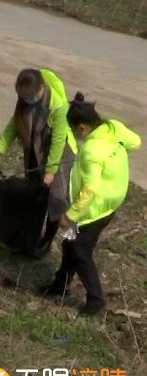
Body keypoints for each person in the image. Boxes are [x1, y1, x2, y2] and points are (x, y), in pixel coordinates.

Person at [41, 94, 141, 316]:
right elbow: (136, 141)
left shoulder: (91, 150)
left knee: (79, 250)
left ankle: (96, 300)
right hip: (114, 196)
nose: (77, 136)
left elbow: (90, 189)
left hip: (96, 207)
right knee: (70, 244)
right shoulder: (114, 127)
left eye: (75, 131)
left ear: (83, 128)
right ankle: (60, 285)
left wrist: (71, 216)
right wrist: (119, 149)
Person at [0, 68, 78, 256]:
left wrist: (51, 171)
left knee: (55, 200)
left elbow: (59, 140)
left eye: (31, 97)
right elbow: (13, 127)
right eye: (24, 98)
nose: (28, 101)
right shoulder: (24, 100)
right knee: (35, 195)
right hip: (36, 152)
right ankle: (30, 235)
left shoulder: (58, 106)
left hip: (59, 157)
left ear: (42, 88)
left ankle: (46, 242)